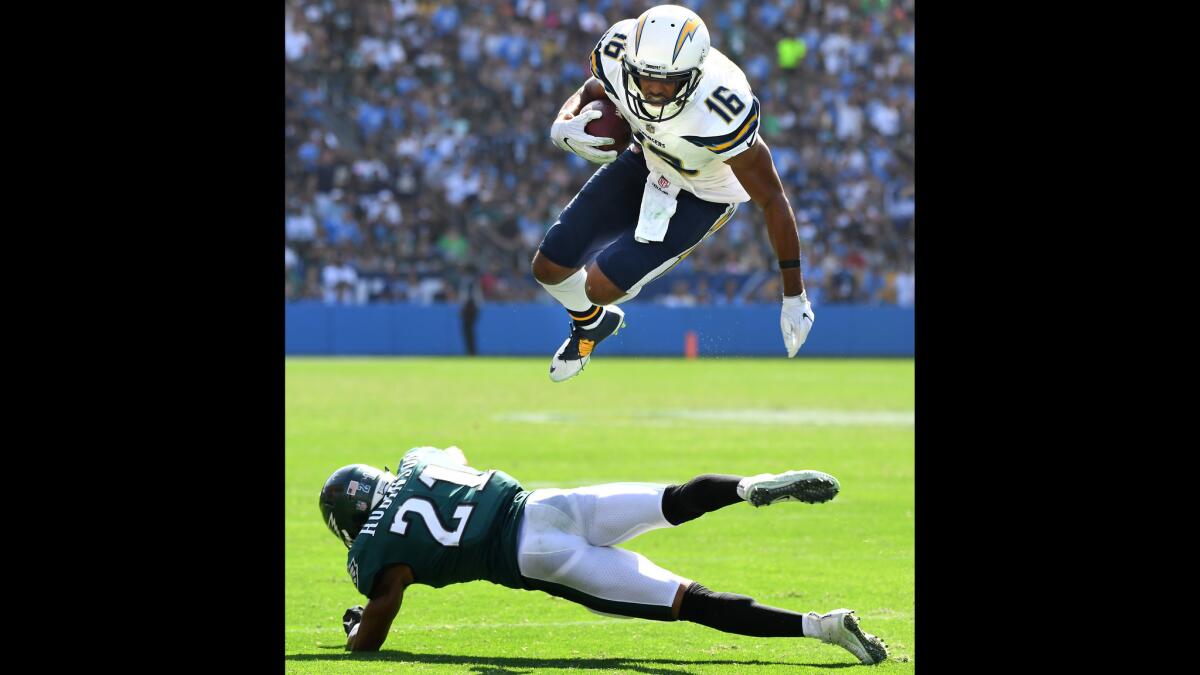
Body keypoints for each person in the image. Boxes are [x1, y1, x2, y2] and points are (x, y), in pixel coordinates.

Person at [320, 446, 888, 664]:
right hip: (550, 505)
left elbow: (378, 623)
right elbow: (453, 455)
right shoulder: (418, 462)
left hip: (537, 558)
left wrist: (356, 629)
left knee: (691, 602)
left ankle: (824, 627)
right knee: (675, 499)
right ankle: (749, 485)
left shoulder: (376, 552)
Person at [534, 4, 815, 382]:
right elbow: (591, 91)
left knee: (598, 286)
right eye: (645, 76)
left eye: (668, 80)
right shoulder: (618, 49)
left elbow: (772, 198)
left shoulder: (722, 106)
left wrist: (794, 294)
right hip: (648, 159)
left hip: (704, 192)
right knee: (548, 267)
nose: (652, 88)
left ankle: (593, 313)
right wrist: (562, 123)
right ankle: (591, 325)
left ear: (696, 74)